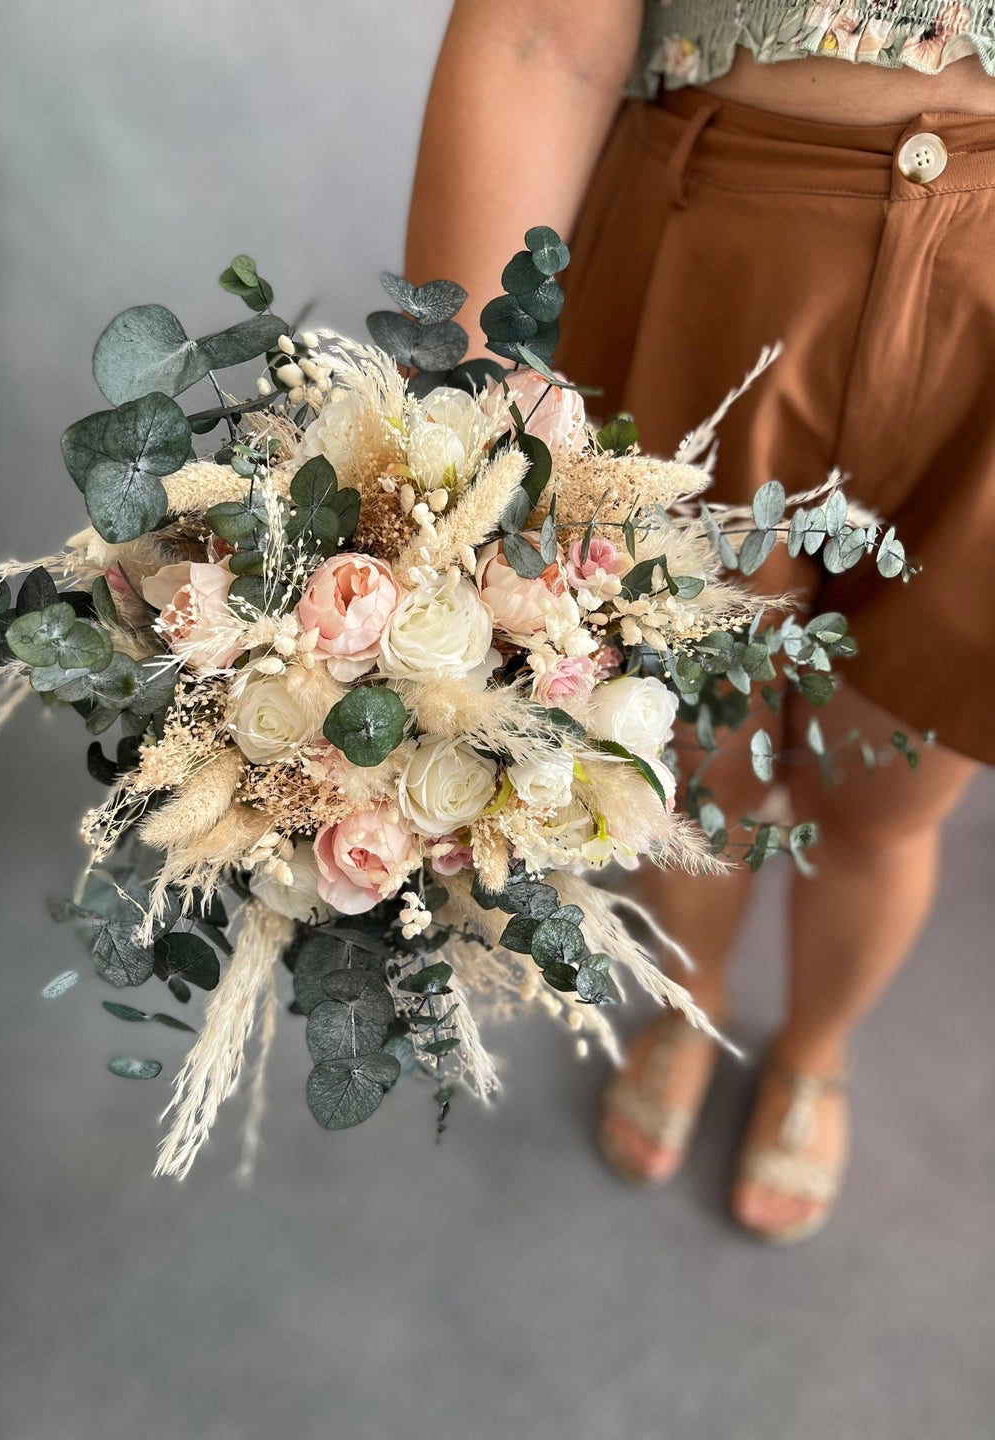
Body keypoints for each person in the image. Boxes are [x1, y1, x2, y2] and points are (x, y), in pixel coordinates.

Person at [404, 0, 995, 1243]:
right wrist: (454, 430)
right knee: (685, 759)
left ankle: (815, 1049)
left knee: (892, 791)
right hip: (713, 256)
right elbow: (537, 32)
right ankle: (692, 1001)